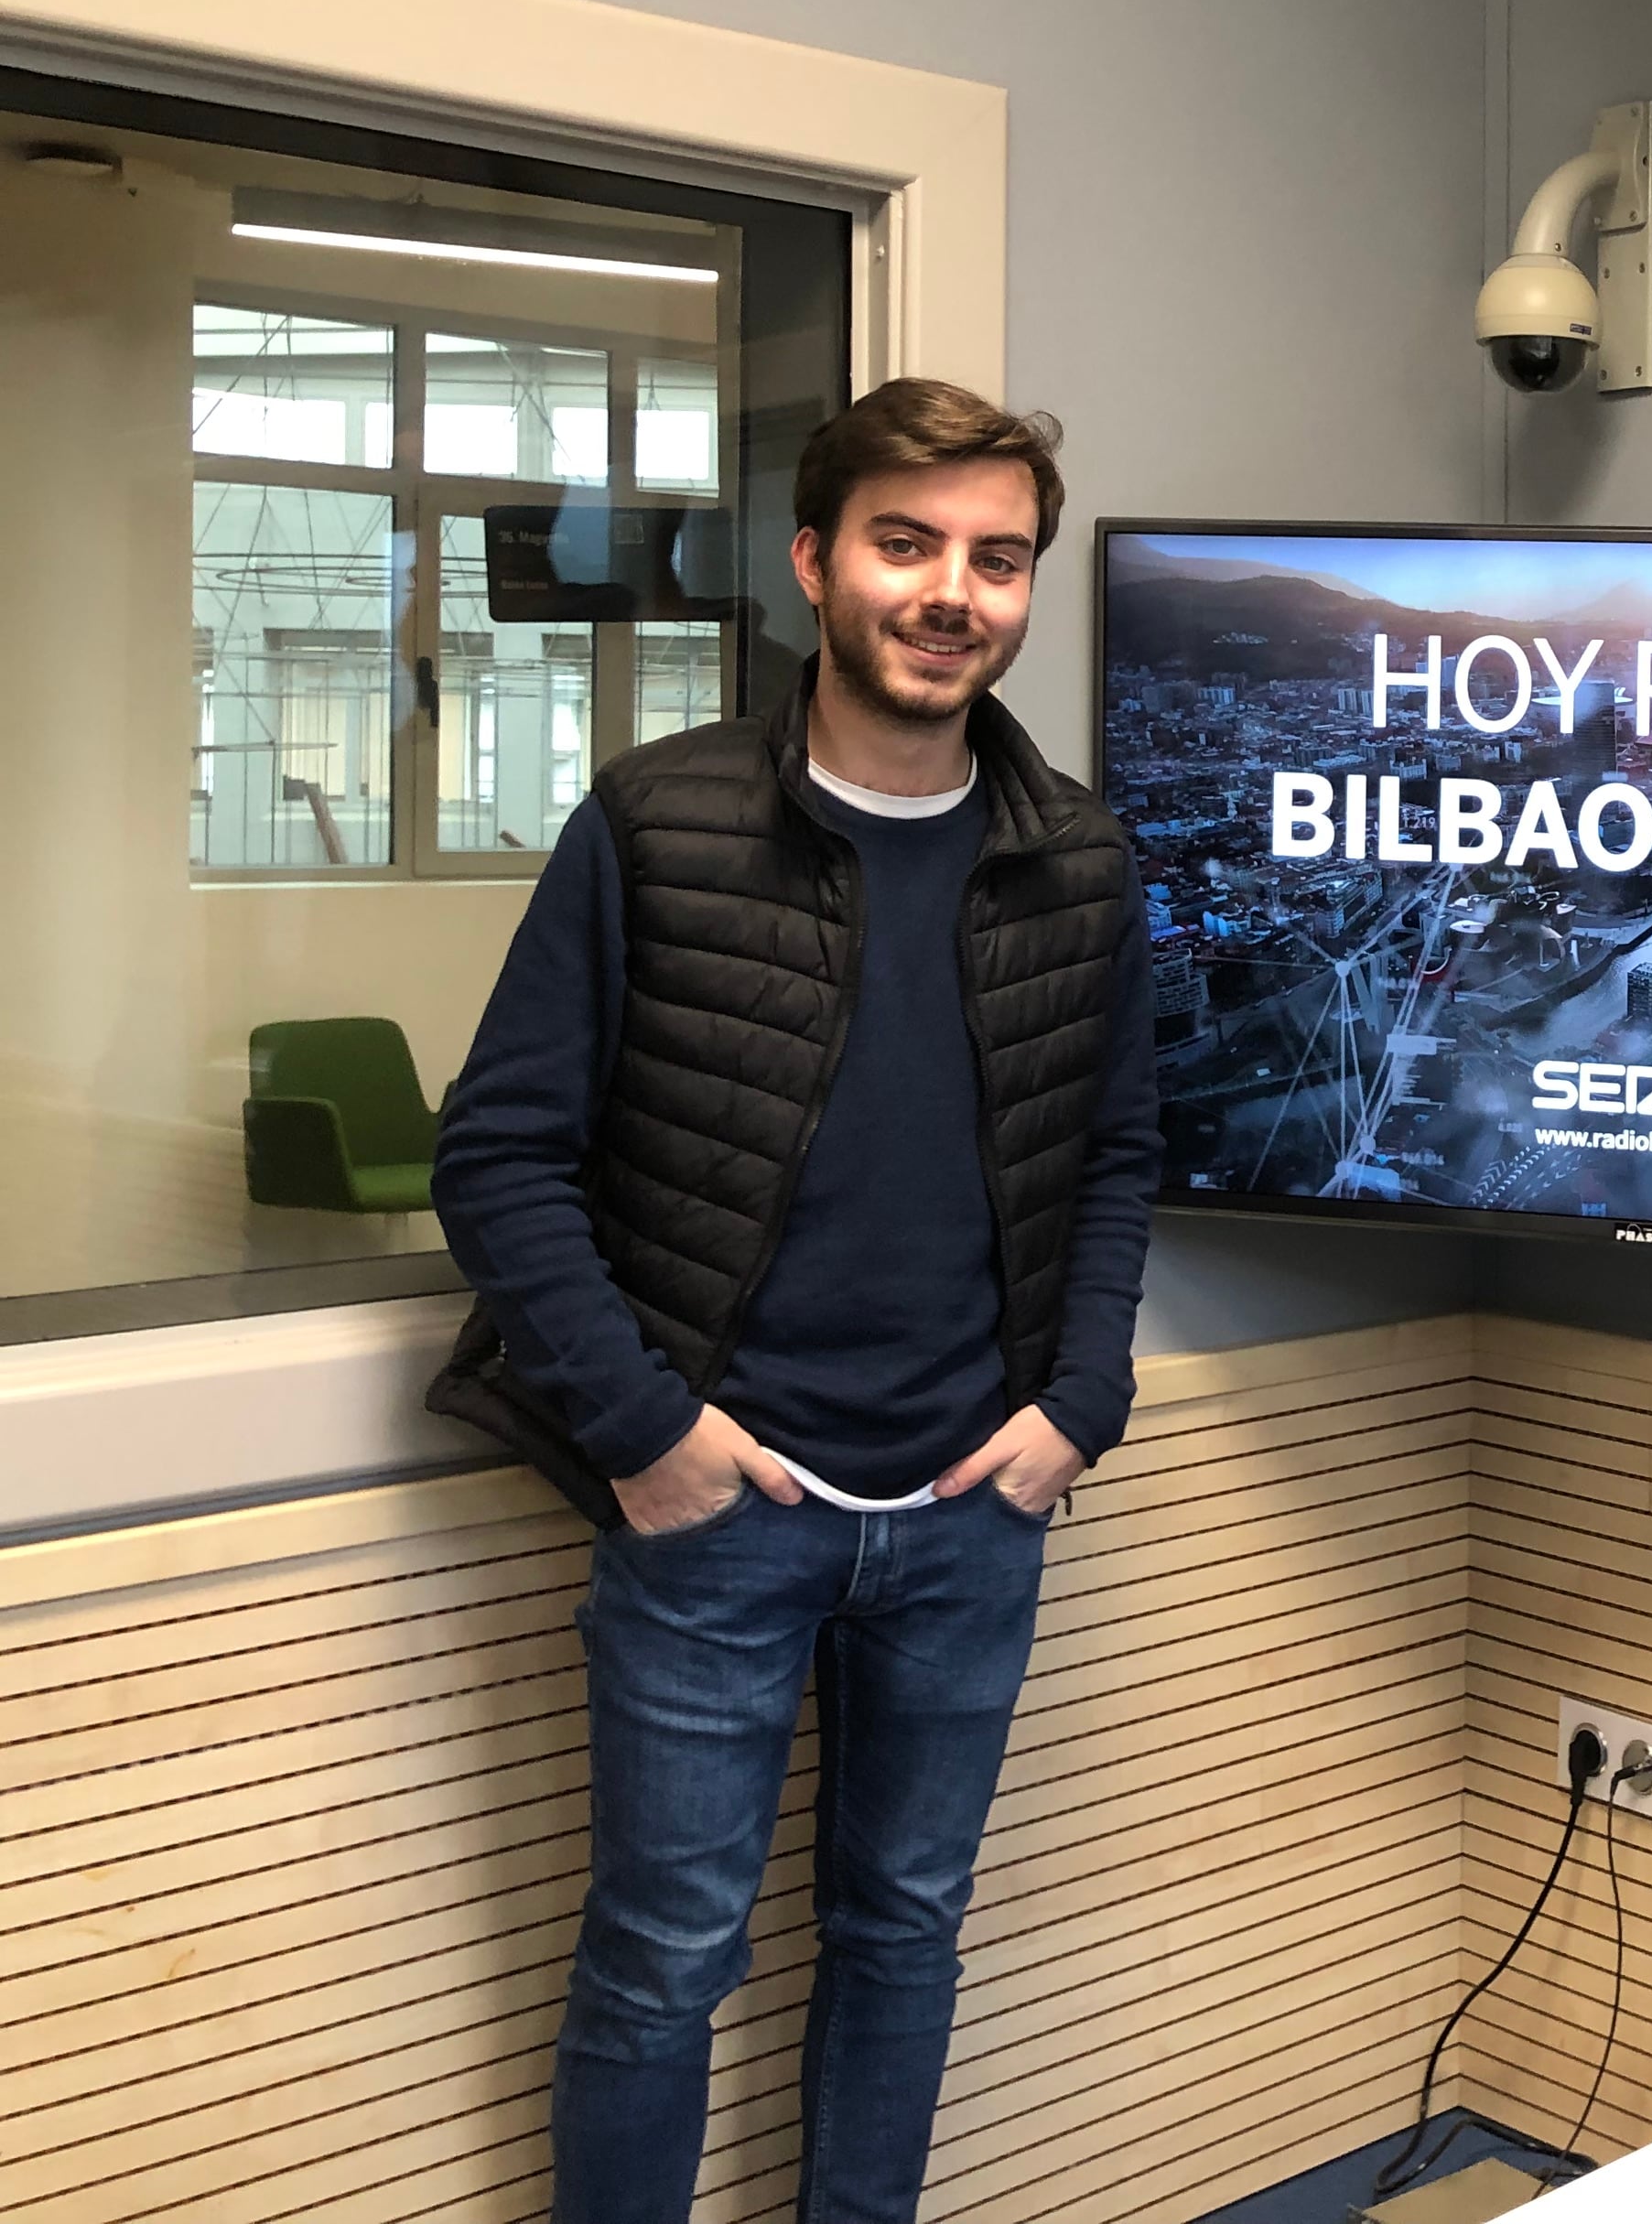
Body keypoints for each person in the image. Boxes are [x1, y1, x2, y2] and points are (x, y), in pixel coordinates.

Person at [426, 378, 1158, 2224]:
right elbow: (497, 1159)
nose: (952, 592)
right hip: (716, 1519)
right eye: (908, 544)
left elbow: (1116, 1159)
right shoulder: (656, 826)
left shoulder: (1077, 857)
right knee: (663, 1965)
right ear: (815, 562)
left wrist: (1078, 1409)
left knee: (906, 1940)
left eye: (997, 558)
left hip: (971, 1513)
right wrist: (649, 1433)